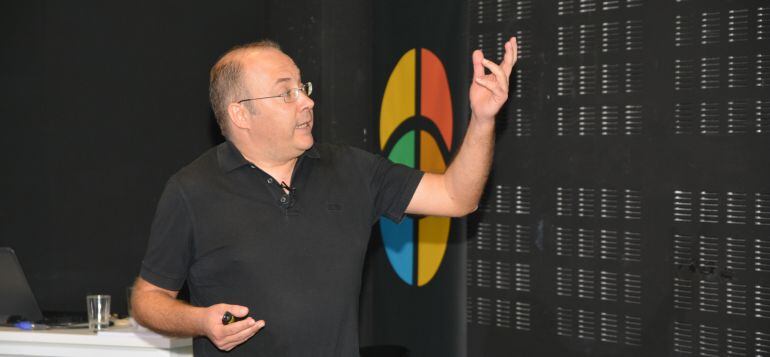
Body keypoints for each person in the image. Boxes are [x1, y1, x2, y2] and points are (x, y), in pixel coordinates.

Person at [132, 37, 518, 356]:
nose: (307, 102)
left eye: (303, 88)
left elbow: (456, 197)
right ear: (241, 114)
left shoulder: (352, 170)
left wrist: (483, 120)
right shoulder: (192, 189)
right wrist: (200, 321)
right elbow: (147, 299)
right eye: (286, 94)